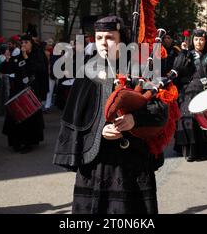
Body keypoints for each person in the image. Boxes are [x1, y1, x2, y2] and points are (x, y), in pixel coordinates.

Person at [53, 16, 168, 214]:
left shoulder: (142, 67)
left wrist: (135, 120)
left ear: (121, 38)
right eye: (98, 38)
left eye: (109, 37)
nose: (103, 43)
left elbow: (161, 110)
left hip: (133, 162)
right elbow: (75, 114)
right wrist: (100, 129)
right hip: (96, 161)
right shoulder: (87, 70)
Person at [173, 29, 207, 161]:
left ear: (205, 41)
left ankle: (205, 151)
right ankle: (190, 152)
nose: (199, 42)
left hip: (204, 89)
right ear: (192, 40)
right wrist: (183, 52)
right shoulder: (187, 53)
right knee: (189, 120)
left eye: (201, 39)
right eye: (196, 39)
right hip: (188, 91)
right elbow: (178, 68)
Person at [0, 32, 48, 153]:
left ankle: (28, 143)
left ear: (31, 44)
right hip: (18, 90)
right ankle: (16, 142)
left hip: (31, 90)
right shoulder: (17, 56)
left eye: (26, 42)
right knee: (15, 116)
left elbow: (39, 69)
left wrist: (26, 57)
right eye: (22, 43)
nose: (24, 45)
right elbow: (5, 69)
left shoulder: (37, 55)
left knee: (29, 118)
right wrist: (7, 59)